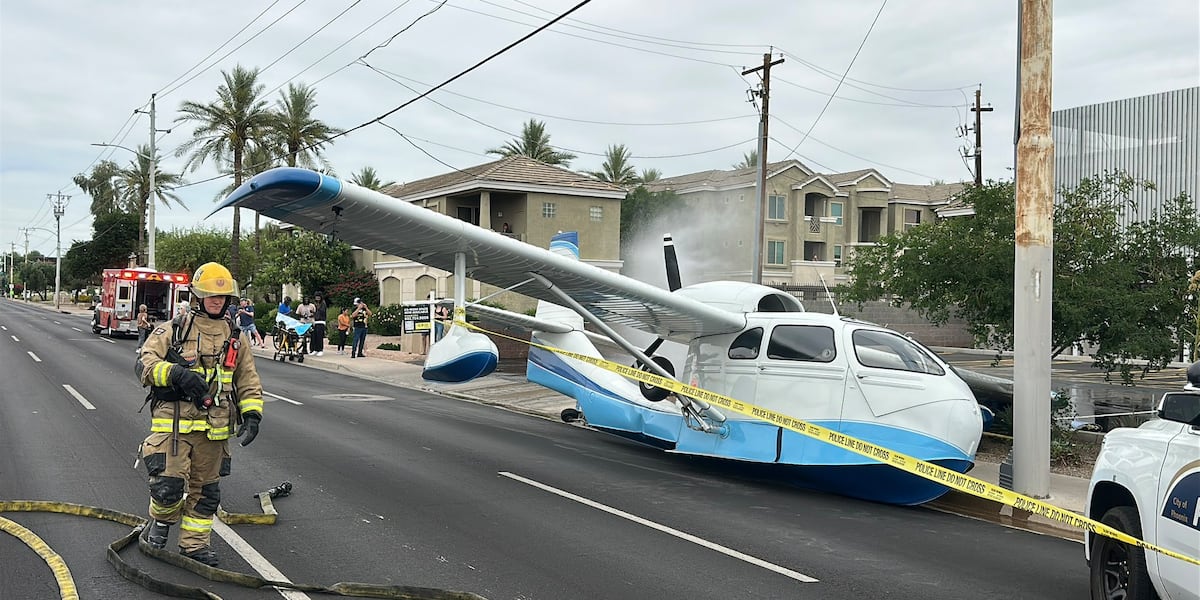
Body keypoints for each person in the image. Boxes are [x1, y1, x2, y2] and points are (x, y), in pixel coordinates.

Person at [135, 262, 264, 567]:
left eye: (221, 297)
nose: (217, 301)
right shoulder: (175, 329)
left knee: (206, 493)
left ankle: (194, 545)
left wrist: (253, 413)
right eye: (210, 295)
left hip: (214, 430)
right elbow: (144, 365)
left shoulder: (235, 337)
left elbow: (247, 378)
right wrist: (176, 374)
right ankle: (162, 522)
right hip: (175, 427)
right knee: (168, 488)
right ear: (197, 296)